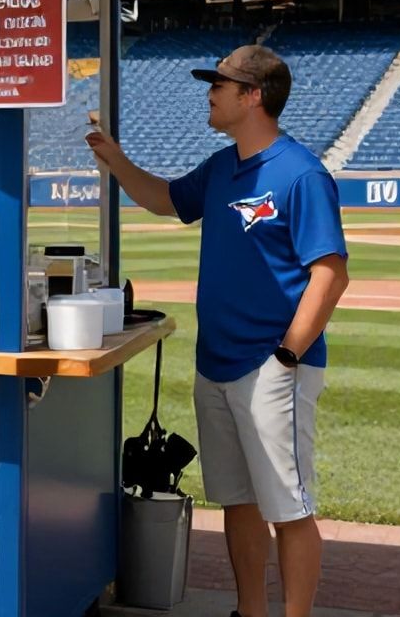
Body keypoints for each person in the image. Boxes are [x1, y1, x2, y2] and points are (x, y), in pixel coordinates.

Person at [86, 44, 348, 617]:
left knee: (290, 507)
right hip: (217, 363)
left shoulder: (301, 174)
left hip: (273, 366)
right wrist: (114, 158)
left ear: (252, 97)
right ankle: (249, 610)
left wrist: (286, 356)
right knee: (238, 500)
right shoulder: (222, 166)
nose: (210, 92)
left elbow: (329, 275)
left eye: (221, 85)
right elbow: (163, 198)